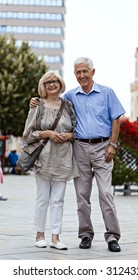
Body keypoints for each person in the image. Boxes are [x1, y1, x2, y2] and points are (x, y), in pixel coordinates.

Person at [30, 57, 126, 252]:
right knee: (82, 196)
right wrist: (35, 100)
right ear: (74, 75)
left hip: (103, 147)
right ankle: (85, 235)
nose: (82, 75)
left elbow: (116, 119)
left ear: (93, 72)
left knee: (106, 193)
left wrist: (113, 145)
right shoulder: (71, 96)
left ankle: (112, 236)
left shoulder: (107, 93)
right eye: (78, 72)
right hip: (80, 148)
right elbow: (52, 101)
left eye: (85, 71)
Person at [23, 70, 78, 249]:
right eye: (48, 82)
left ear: (60, 84)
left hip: (63, 158)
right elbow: (27, 134)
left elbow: (76, 130)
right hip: (44, 158)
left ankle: (56, 237)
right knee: (42, 198)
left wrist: (68, 135)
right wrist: (47, 133)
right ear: (43, 86)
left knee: (58, 199)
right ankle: (40, 235)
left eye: (55, 81)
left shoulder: (68, 105)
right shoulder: (37, 105)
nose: (52, 84)